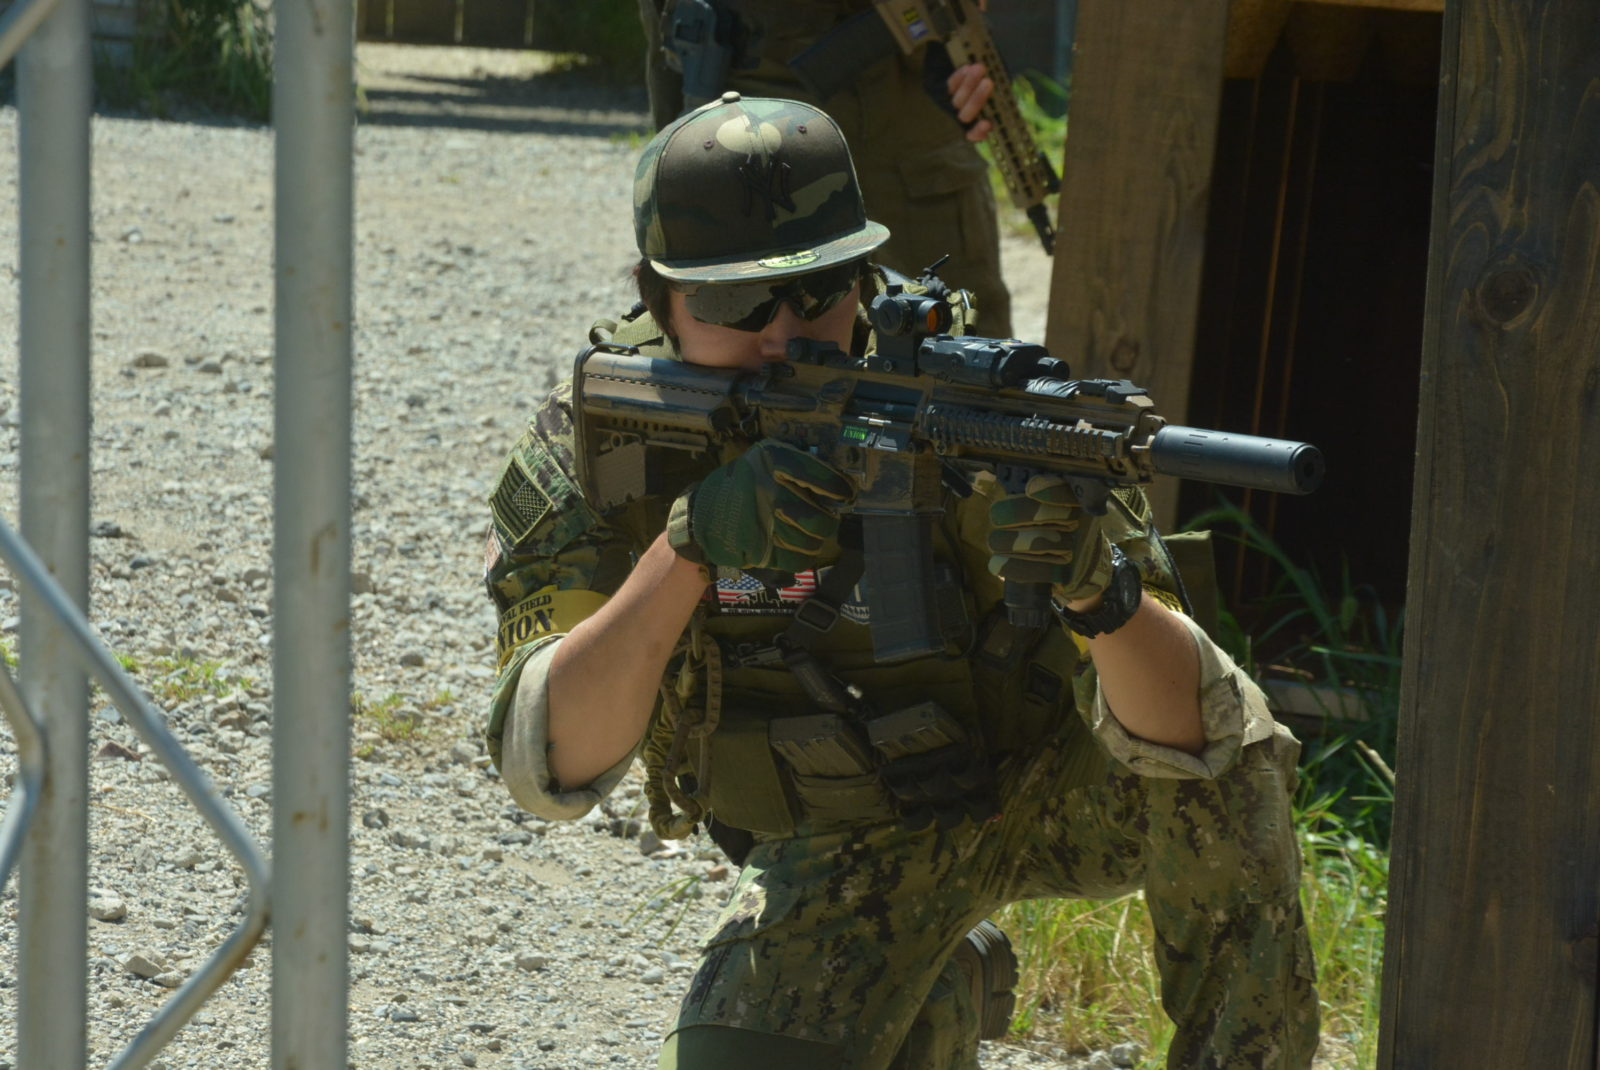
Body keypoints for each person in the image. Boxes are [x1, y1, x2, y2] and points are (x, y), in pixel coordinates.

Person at [482, 93, 1320, 1069]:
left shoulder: (984, 408)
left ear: (864, 274)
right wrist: (691, 543)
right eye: (732, 304)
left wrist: (1098, 592)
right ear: (657, 296)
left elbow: (1191, 730)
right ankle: (935, 974)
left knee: (1234, 734)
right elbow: (548, 767)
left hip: (1059, 782)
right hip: (850, 831)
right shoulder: (607, 435)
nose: (785, 335)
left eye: (819, 290)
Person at [635, 0, 1016, 339]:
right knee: (733, 326)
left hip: (893, 66)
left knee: (952, 334)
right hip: (733, 50)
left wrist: (959, 26)